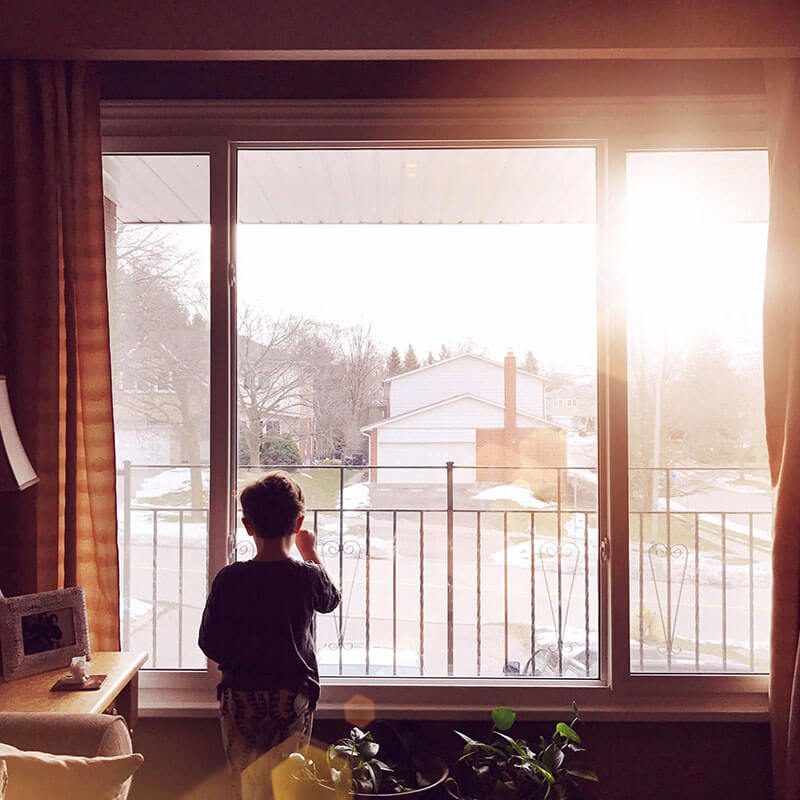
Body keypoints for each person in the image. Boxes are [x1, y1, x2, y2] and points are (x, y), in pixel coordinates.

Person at [199, 471, 341, 799]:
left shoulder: (230, 578)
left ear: (248, 526)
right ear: (298, 523)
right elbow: (330, 600)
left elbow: (209, 641)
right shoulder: (306, 576)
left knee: (247, 783)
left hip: (241, 694)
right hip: (292, 695)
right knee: (288, 783)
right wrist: (310, 550)